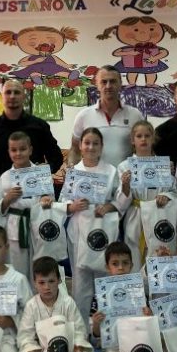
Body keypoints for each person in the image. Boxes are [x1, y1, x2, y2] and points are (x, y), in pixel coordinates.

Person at [61, 127, 120, 322]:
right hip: (79, 230)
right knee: (80, 283)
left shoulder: (111, 171)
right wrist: (72, 206)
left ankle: (107, 328)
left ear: (102, 147)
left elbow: (120, 200)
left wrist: (109, 206)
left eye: (95, 143)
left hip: (104, 230)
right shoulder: (74, 172)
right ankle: (81, 330)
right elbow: (62, 201)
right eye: (87, 143)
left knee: (105, 279)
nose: (91, 147)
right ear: (80, 145)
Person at [16, 256, 98, 352]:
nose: (47, 287)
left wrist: (77, 348)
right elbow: (25, 335)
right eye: (41, 282)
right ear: (35, 283)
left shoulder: (68, 303)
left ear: (59, 280)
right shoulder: (31, 305)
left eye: (51, 281)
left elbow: (79, 330)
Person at [0, 131, 55, 280]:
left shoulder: (41, 173)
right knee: (18, 271)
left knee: (40, 268)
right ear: (9, 152)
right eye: (14, 150)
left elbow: (51, 198)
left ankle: (39, 295)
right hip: (15, 228)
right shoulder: (5, 177)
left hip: (39, 225)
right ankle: (20, 295)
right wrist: (7, 199)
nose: (18, 153)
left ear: (30, 150)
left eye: (22, 149)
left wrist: (47, 199)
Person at [116, 120, 177, 266]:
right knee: (134, 256)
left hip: (159, 215)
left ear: (153, 139)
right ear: (132, 140)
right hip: (135, 217)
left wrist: (166, 196)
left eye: (147, 136)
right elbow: (120, 203)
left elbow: (174, 192)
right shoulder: (124, 166)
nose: (143, 139)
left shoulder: (164, 165)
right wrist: (125, 186)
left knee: (159, 255)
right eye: (139, 136)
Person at [89, 242, 149, 352]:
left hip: (138, 342)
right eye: (115, 264)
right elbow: (95, 338)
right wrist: (96, 324)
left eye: (125, 263)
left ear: (131, 265)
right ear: (107, 267)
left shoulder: (138, 291)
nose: (120, 267)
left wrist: (148, 316)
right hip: (113, 346)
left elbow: (148, 323)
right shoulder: (100, 295)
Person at [0, 79, 63, 176]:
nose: (12, 96)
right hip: (3, 184)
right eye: (8, 92)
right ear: (2, 96)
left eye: (17, 92)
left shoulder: (40, 126)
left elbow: (56, 158)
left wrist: (47, 169)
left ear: (24, 96)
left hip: (34, 183)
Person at [69, 66, 144, 167]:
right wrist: (71, 168)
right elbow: (75, 150)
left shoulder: (135, 115)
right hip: (94, 176)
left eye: (113, 81)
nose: (108, 86)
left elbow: (145, 149)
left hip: (126, 176)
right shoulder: (83, 116)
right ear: (97, 85)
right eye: (104, 82)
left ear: (120, 84)